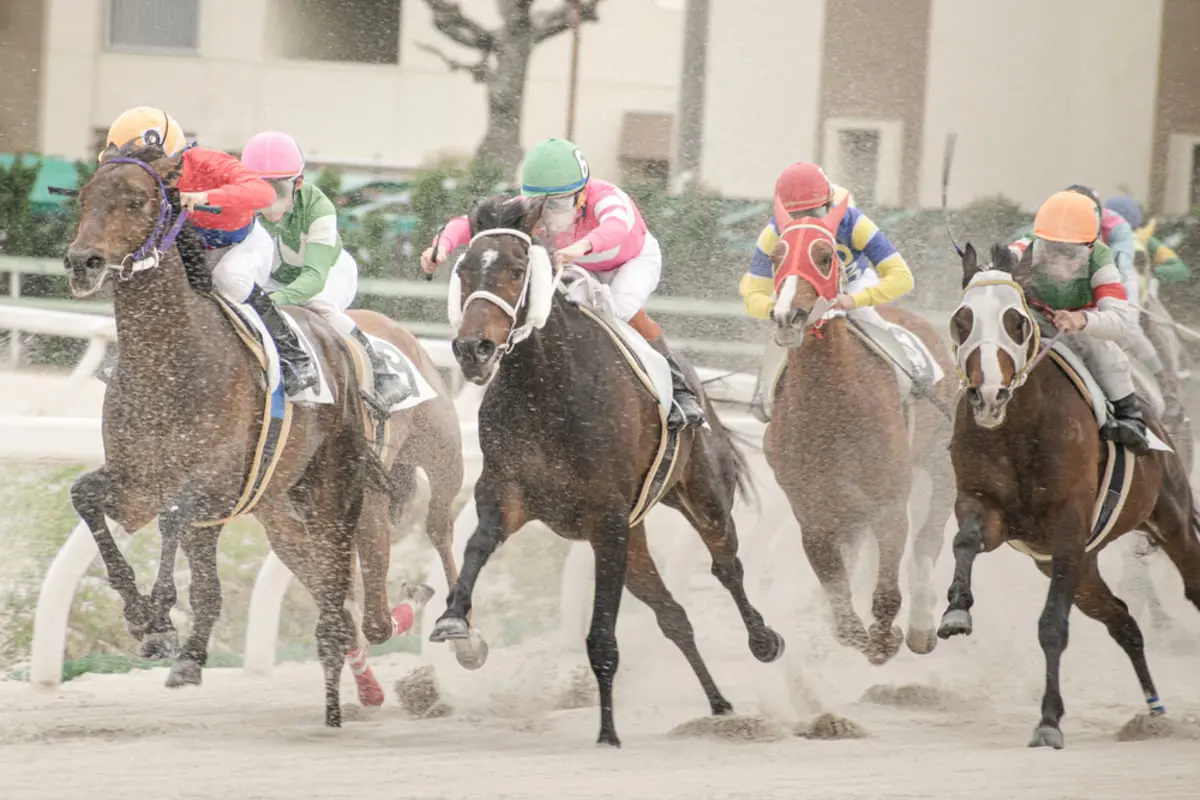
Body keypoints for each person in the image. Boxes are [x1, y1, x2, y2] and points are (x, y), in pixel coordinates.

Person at [421, 137, 705, 430]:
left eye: (560, 203)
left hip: (630, 261)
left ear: (582, 194)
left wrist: (580, 248)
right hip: (579, 264)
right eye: (541, 205)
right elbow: (467, 224)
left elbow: (617, 228)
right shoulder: (527, 207)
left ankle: (678, 387)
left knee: (618, 307)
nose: (550, 215)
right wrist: (441, 246)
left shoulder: (607, 197)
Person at [98, 107, 316, 395]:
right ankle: (134, 359)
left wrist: (206, 196)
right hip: (193, 248)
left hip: (241, 244)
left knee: (229, 277)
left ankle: (295, 355)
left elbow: (264, 194)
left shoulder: (207, 162)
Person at [738, 162, 920, 421]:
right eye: (796, 216)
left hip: (852, 285)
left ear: (829, 204)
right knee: (780, 336)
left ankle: (913, 375)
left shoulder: (854, 222)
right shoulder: (772, 233)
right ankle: (763, 393)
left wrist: (854, 300)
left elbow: (902, 278)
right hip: (802, 291)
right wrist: (772, 308)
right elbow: (753, 292)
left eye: (814, 212)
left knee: (870, 321)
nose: (807, 222)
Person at [239, 131, 407, 408]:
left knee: (318, 306)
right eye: (260, 190)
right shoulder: (243, 206)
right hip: (275, 277)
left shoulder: (320, 209)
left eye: (277, 191)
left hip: (328, 272)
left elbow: (314, 278)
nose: (268, 204)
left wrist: (270, 302)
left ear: (298, 183)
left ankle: (381, 372)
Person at [1011, 185, 1181, 421]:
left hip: (1084, 318)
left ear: (1090, 243)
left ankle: (1130, 416)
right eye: (1054, 248)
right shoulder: (1033, 240)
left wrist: (1082, 319)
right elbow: (1013, 251)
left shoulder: (1102, 255)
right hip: (1035, 318)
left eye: (1070, 252)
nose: (1060, 260)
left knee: (1108, 350)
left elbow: (1118, 321)